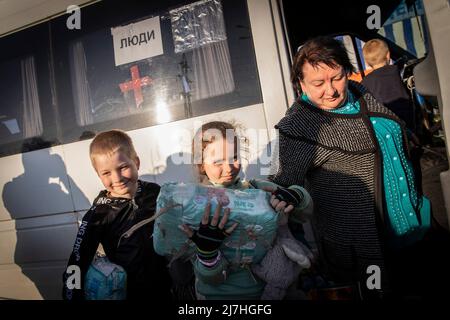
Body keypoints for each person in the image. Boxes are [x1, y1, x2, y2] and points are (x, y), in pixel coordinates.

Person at [270, 36, 434, 299]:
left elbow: (386, 123)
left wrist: (404, 132)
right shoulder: (299, 127)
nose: (331, 90)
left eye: (337, 77)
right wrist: (289, 198)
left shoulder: (360, 93)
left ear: (348, 72)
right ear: (301, 83)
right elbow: (285, 187)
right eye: (318, 83)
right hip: (368, 249)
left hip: (416, 227)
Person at [178, 121, 313, 300]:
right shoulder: (195, 206)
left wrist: (297, 196)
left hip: (270, 293)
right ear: (201, 165)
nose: (229, 168)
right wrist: (207, 254)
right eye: (218, 161)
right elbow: (210, 279)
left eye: (234, 157)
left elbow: (304, 213)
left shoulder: (257, 189)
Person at [62, 129, 172, 300]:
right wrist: (71, 295)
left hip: (166, 287)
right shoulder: (98, 213)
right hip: (129, 293)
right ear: (98, 175)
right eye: (106, 173)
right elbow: (77, 259)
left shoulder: (154, 192)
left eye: (123, 167)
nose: (117, 178)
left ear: (136, 162)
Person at [362, 39, 416, 131]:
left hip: (386, 127)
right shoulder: (397, 70)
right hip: (408, 123)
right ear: (388, 55)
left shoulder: (365, 82)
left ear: (366, 62)